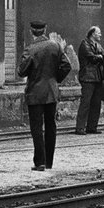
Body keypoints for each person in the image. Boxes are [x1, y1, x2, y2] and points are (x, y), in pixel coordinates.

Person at [17, 18, 70, 171]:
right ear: (45, 30)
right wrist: (55, 78)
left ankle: (39, 161)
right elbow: (67, 65)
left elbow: (21, 71)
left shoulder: (30, 49)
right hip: (51, 91)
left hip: (35, 92)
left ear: (31, 31)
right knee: (51, 126)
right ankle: (49, 162)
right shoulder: (56, 46)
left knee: (36, 128)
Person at [75, 25, 104, 134]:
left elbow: (103, 56)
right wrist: (100, 57)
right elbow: (92, 58)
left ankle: (92, 127)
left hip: (97, 77)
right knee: (85, 103)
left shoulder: (98, 45)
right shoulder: (85, 44)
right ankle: (80, 127)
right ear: (92, 34)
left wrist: (100, 57)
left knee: (96, 103)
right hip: (87, 77)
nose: (100, 35)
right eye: (98, 33)